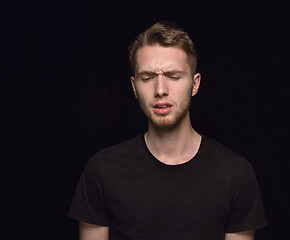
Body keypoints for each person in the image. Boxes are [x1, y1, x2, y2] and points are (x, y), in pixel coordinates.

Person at [68, 21, 267, 240]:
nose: (160, 90)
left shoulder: (236, 174)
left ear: (195, 83)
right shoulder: (102, 171)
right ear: (134, 87)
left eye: (173, 76)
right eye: (148, 78)